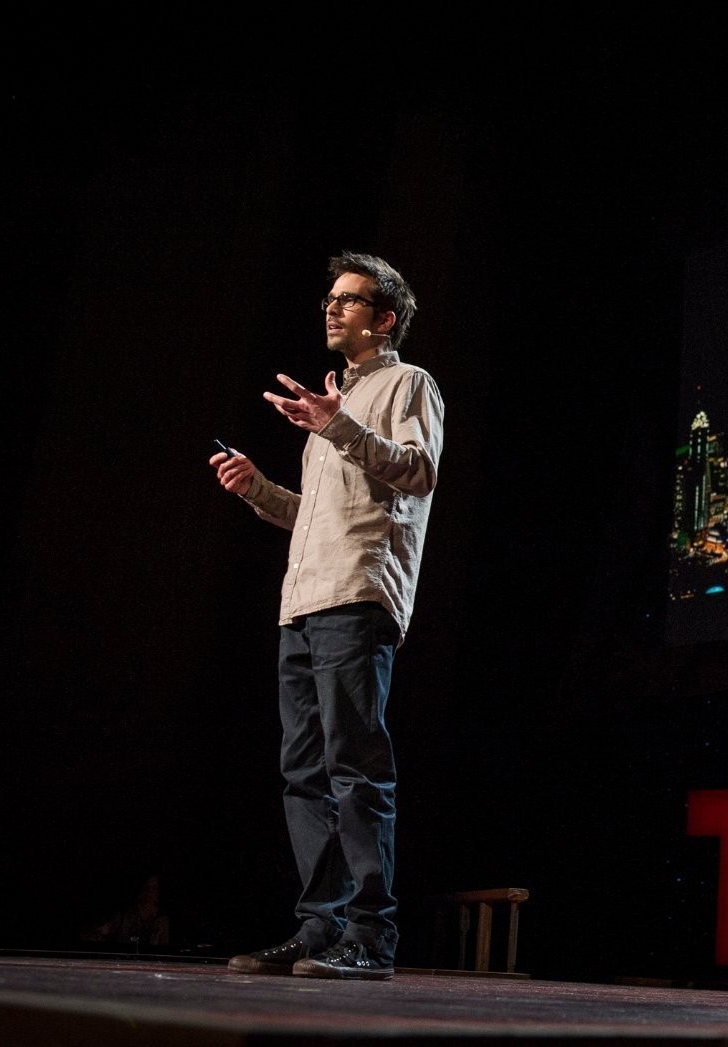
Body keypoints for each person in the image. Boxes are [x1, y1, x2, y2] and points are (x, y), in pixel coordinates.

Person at [211, 251, 444, 981]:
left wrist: (338, 425)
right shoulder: (332, 406)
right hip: (303, 602)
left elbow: (418, 471)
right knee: (303, 771)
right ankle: (320, 929)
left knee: (354, 766)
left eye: (350, 300)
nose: (331, 308)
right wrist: (256, 488)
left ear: (385, 318)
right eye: (329, 298)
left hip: (357, 598)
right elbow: (316, 513)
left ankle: (372, 934)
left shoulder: (409, 383)